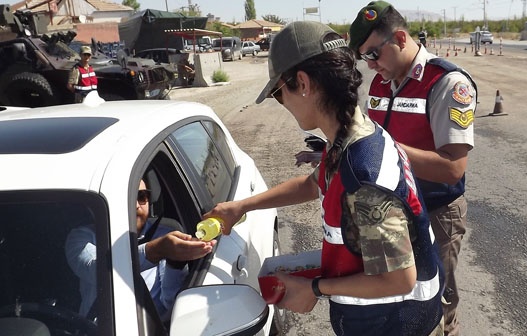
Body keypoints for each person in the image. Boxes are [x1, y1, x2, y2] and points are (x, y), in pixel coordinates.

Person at [203, 21, 444, 336]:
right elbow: (315, 182)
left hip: (396, 324)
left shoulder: (364, 175)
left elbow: (399, 279)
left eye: (278, 93)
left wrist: (315, 289)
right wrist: (241, 207)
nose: (283, 104)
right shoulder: (349, 135)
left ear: (302, 83)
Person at [349, 2, 477, 335]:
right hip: (392, 214)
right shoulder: (379, 83)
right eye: (364, 58)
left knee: (437, 300)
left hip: (436, 212)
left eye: (374, 54)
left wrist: (386, 148)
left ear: (401, 38)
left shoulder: (446, 83)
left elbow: (453, 169)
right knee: (399, 300)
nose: (371, 65)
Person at [65, 177, 214, 321]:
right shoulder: (82, 237)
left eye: (142, 196)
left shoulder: (166, 236)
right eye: (127, 197)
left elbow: (170, 304)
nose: (136, 205)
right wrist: (154, 251)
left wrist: (176, 263)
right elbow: (96, 271)